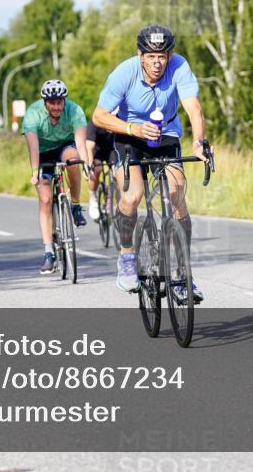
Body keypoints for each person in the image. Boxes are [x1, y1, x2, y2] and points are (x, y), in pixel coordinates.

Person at [92, 24, 209, 302]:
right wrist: (133, 129)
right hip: (130, 135)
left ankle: (183, 275)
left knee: (177, 192)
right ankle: (127, 256)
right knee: (133, 195)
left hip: (166, 133)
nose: (157, 63)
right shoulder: (124, 73)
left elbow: (193, 106)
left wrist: (199, 141)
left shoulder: (179, 66)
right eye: (151, 56)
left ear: (170, 56)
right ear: (140, 55)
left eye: (163, 56)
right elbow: (98, 116)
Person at [22, 79, 91, 275]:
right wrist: (35, 173)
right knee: (45, 199)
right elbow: (33, 147)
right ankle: (48, 253)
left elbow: (80, 141)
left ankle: (76, 205)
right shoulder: (33, 114)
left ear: (64, 100)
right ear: (45, 102)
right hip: (42, 153)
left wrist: (85, 164)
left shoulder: (74, 110)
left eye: (59, 101)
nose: (56, 106)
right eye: (52, 102)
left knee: (73, 159)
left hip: (65, 147)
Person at [84, 109, 117, 221]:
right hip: (96, 148)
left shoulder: (119, 118)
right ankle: (93, 197)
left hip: (112, 148)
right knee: (97, 169)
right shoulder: (95, 120)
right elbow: (89, 146)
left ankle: (110, 198)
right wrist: (88, 166)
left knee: (116, 172)